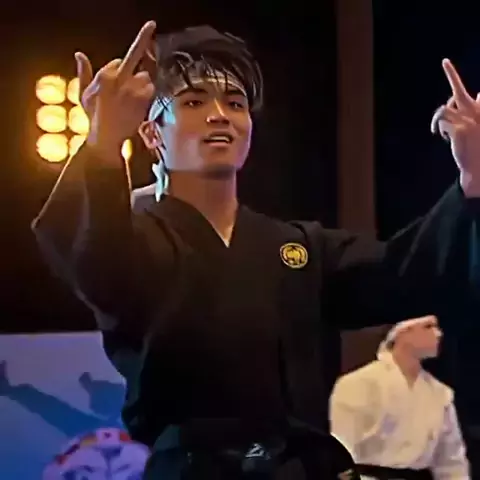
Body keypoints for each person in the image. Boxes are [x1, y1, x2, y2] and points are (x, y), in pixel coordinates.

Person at [31, 20, 480, 479]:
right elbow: (91, 260)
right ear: (152, 135)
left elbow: (404, 273)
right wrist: (103, 145)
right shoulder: (133, 241)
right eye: (193, 101)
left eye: (235, 102)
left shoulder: (298, 249)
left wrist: (471, 181)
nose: (219, 114)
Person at [330, 315, 470, 479]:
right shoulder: (359, 383)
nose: (438, 334)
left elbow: (451, 461)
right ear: (403, 332)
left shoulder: (440, 394)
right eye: (428, 327)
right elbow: (342, 450)